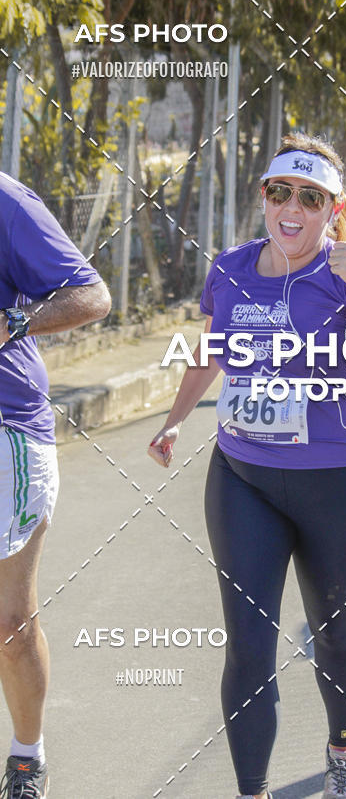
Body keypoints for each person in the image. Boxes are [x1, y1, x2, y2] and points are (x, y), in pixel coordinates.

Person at [148, 133, 346, 799]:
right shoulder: (231, 268)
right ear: (264, 197)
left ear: (333, 209)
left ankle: (341, 752)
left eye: (310, 197)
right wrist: (176, 417)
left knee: (333, 632)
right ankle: (252, 791)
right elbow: (212, 349)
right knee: (248, 646)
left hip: (342, 485)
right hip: (242, 480)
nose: (291, 208)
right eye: (280, 192)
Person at [0, 172, 111, 798]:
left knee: (9, 626)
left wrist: (12, 320)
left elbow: (91, 296)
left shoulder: (6, 202)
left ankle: (26, 756)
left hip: (7, 430)